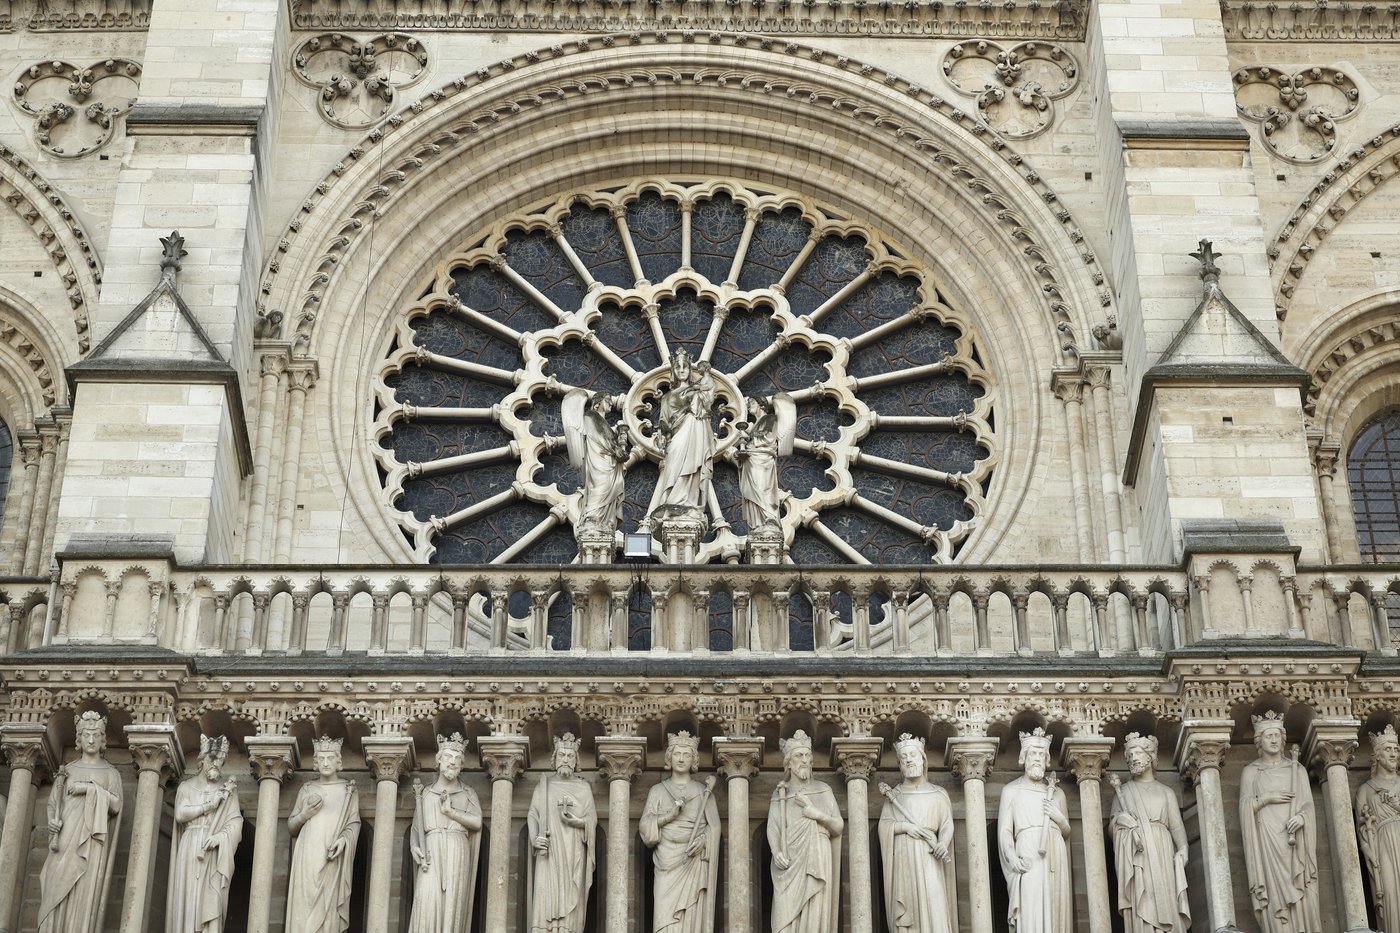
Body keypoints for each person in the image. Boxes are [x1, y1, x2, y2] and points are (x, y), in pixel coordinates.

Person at [38, 710, 124, 933]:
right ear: (79, 738)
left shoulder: (111, 773)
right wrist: (53, 823)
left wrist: (89, 789)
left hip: (91, 842)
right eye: (87, 735)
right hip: (64, 839)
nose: (92, 740)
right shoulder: (67, 771)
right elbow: (53, 804)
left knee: (84, 891)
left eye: (96, 735)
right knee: (53, 884)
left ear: (103, 738)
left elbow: (116, 805)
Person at [1239, 711, 1321, 933]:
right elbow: (1245, 808)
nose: (1274, 740)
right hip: (1266, 838)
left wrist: (1301, 818)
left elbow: (1307, 805)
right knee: (1273, 889)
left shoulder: (1297, 769)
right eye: (1268, 736)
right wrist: (1265, 799)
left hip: (1294, 838)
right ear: (1259, 741)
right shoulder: (1251, 772)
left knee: (1300, 882)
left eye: (1277, 735)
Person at [639, 731, 720, 933]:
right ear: (669, 757)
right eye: (677, 753)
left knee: (691, 916)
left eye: (687, 754)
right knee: (665, 917)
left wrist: (704, 840)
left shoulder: (703, 791)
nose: (681, 758)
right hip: (667, 861)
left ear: (694, 759)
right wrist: (669, 817)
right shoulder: (657, 791)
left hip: (693, 860)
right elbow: (645, 826)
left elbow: (715, 827)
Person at [1108, 733, 1189, 933]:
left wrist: (1183, 848)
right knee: (1142, 895)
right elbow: (1112, 828)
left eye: (1138, 753)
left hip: (1162, 851)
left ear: (1150, 756)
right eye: (1130, 755)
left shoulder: (1166, 792)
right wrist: (1122, 823)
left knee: (1166, 896)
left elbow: (1176, 826)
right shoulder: (1124, 792)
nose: (1133, 758)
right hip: (1137, 854)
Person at [877, 733, 957, 933]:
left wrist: (942, 843)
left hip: (930, 856)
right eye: (903, 758)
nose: (909, 760)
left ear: (923, 759)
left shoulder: (938, 793)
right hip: (905, 858)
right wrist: (905, 827)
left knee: (935, 901)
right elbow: (884, 826)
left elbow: (947, 824)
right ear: (900, 765)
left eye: (913, 755)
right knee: (909, 902)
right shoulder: (895, 796)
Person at [997, 727, 1073, 933]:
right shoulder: (1011, 791)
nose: (1037, 758)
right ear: (1024, 757)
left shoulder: (1057, 794)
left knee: (1055, 907)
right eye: (1033, 753)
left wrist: (1057, 816)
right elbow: (1005, 831)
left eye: (1042, 754)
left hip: (1055, 854)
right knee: (1030, 907)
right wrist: (1012, 857)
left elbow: (1067, 832)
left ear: (1047, 759)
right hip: (1029, 851)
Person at [767, 730, 842, 933]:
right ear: (788, 762)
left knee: (816, 907)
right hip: (790, 860)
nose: (805, 760)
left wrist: (816, 814)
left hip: (818, 853)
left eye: (807, 756)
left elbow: (838, 826)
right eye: (799, 756)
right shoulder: (781, 793)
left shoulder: (823, 789)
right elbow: (773, 828)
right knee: (784, 916)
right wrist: (776, 852)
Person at [168, 734, 243, 933]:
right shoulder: (186, 786)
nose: (216, 764)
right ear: (201, 760)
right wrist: (209, 805)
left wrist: (221, 837)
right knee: (188, 897)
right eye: (212, 759)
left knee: (211, 899)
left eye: (220, 760)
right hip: (191, 846)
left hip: (214, 850)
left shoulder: (228, 792)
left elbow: (236, 821)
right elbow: (180, 814)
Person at [408, 733, 482, 933]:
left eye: (457, 759)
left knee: (452, 901)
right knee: (427, 899)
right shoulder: (425, 793)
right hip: (431, 850)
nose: (453, 763)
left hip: (456, 847)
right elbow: (417, 828)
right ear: (439, 760)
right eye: (448, 757)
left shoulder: (468, 793)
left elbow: (477, 822)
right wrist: (415, 847)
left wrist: (451, 812)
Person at [286, 736, 360, 933]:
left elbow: (353, 824)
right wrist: (304, 815)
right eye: (321, 759)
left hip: (332, 855)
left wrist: (344, 841)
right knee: (304, 904)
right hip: (307, 854)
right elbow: (292, 827)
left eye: (330, 758)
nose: (326, 763)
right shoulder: (307, 788)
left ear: (338, 761)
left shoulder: (348, 790)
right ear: (316, 763)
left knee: (329, 906)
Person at [528, 732, 597, 933]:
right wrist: (534, 838)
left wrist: (579, 822)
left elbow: (591, 819)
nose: (565, 759)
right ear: (555, 758)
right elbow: (533, 814)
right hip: (549, 852)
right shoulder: (544, 786)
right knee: (546, 895)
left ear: (576, 761)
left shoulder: (583, 788)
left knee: (570, 898)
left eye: (570, 756)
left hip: (573, 850)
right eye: (561, 755)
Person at [650, 350, 716, 523]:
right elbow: (664, 420)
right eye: (677, 367)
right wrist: (663, 432)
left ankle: (689, 503)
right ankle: (674, 501)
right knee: (674, 465)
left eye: (685, 366)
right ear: (673, 371)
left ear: (689, 369)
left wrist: (707, 378)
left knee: (694, 465)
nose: (681, 370)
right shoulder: (667, 397)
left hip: (694, 429)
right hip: (676, 435)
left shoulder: (696, 391)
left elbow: (708, 400)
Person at [564, 390, 630, 535]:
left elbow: (611, 442)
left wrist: (620, 442)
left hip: (609, 463)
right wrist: (616, 449)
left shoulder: (605, 424)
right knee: (598, 488)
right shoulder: (590, 417)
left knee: (611, 486)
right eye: (608, 401)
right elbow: (599, 439)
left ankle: (605, 519)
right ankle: (592, 517)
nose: (611, 405)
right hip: (599, 460)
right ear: (597, 403)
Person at [1358, 724, 1400, 930]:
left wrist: (1395, 804)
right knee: (1390, 891)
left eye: (1396, 749)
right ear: (1377, 755)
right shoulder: (1366, 790)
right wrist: (1367, 849)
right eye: (1388, 749)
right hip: (1383, 843)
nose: (1393, 753)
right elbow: (1360, 828)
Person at [738, 396, 782, 533]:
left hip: (762, 460)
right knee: (754, 490)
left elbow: (768, 439)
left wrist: (749, 436)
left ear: (761, 405)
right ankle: (758, 521)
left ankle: (769, 517)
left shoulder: (770, 419)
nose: (749, 406)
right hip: (752, 460)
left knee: (763, 488)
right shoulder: (757, 423)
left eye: (751, 403)